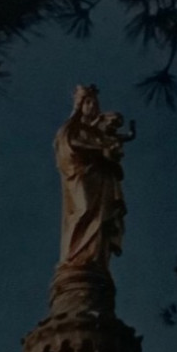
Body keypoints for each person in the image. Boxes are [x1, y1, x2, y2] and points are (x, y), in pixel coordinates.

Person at [54, 85, 135, 271]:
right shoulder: (72, 129)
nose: (92, 106)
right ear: (80, 104)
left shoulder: (97, 132)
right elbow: (69, 144)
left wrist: (113, 147)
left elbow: (111, 146)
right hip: (81, 175)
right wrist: (101, 149)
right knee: (83, 210)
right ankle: (73, 256)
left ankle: (95, 256)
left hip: (102, 178)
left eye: (94, 103)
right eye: (88, 102)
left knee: (101, 218)